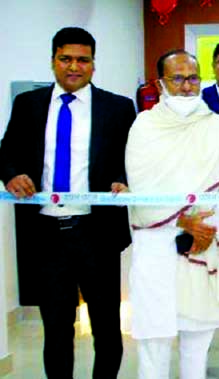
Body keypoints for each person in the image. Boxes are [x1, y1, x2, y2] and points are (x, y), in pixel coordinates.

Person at [0, 27, 134, 378]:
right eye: (65, 58)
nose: (74, 66)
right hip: (46, 236)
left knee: (106, 328)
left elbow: (132, 160)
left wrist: (125, 181)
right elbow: (7, 152)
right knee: (56, 328)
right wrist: (12, 174)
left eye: (83, 60)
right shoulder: (28, 104)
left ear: (93, 64)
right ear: (53, 61)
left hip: (97, 233)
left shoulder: (118, 108)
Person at [126, 49, 219, 379]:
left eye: (192, 78)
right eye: (176, 79)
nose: (185, 86)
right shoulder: (144, 125)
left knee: (197, 340)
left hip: (205, 239)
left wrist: (209, 224)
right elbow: (140, 184)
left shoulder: (215, 126)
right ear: (161, 82)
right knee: (155, 339)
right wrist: (182, 220)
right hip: (157, 243)